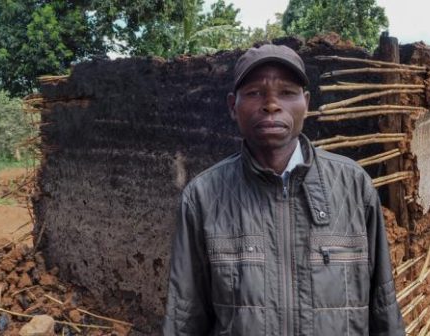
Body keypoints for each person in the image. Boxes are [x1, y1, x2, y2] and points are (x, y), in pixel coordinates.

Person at [163, 44, 405, 335]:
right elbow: (184, 317)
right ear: (232, 106)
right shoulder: (203, 197)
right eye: (254, 93)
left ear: (306, 103)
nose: (271, 105)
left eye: (287, 93)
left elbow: (383, 305)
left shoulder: (353, 186)